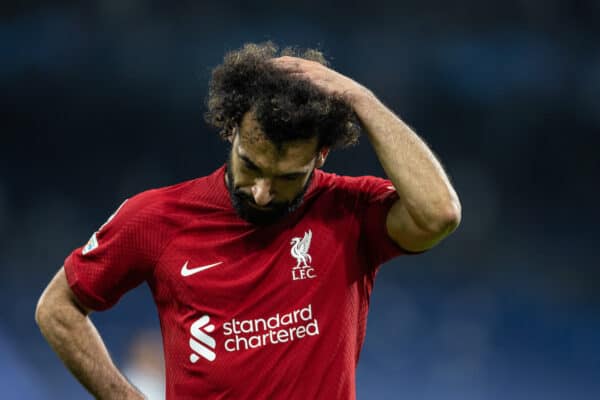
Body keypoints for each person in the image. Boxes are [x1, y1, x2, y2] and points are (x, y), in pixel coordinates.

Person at [35, 42, 461, 399]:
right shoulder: (157, 218)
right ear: (230, 131)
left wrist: (360, 99)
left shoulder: (348, 211)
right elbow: (57, 308)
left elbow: (438, 213)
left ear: (321, 156)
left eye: (287, 178)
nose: (261, 192)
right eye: (250, 166)